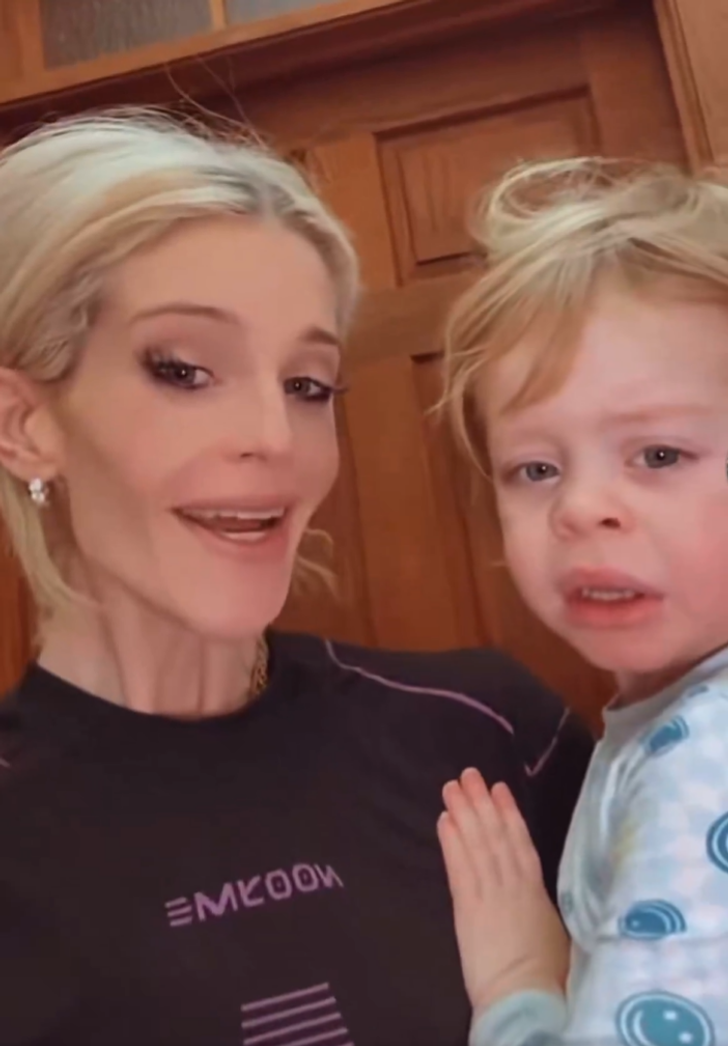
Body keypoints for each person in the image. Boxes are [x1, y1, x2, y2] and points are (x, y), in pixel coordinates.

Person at [0, 110, 591, 1046]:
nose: (276, 439)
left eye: (308, 385)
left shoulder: (487, 734)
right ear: (24, 424)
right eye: (185, 370)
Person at [438, 156, 728, 1046]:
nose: (579, 507)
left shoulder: (703, 762)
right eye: (536, 468)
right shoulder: (669, 723)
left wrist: (519, 986)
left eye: (659, 455)